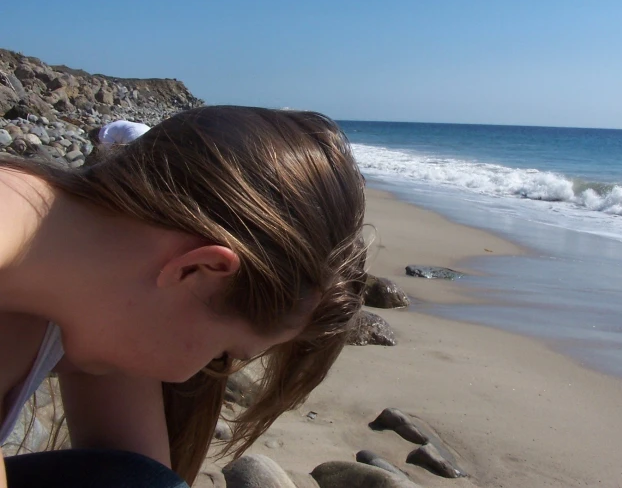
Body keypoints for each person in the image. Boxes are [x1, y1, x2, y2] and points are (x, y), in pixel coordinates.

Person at [0, 106, 367, 487]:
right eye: (223, 354)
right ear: (195, 270)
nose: (199, 373)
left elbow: (140, 471)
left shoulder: (89, 298)